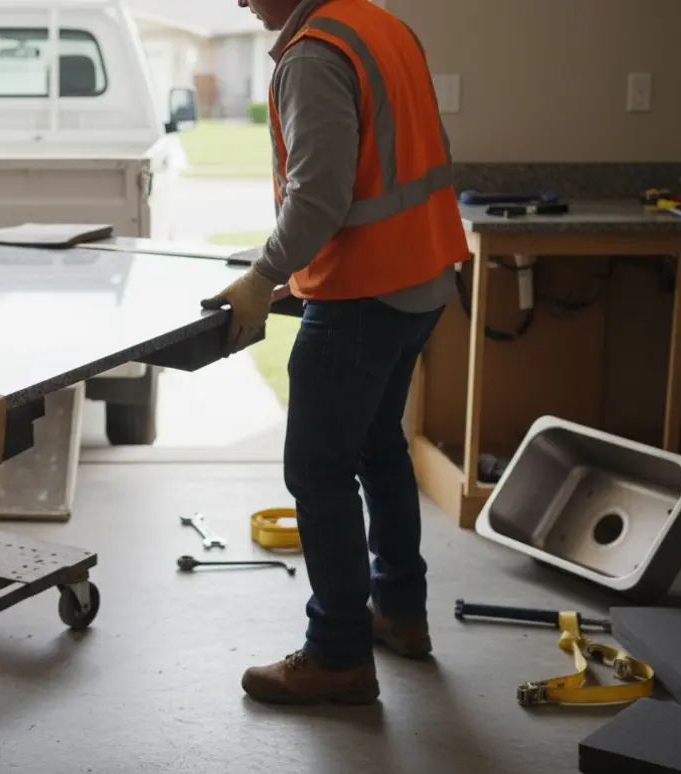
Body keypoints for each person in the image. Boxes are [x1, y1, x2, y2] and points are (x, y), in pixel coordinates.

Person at [207, 0, 470, 705]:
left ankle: (338, 654)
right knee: (379, 448)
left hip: (363, 297)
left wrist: (264, 278)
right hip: (422, 281)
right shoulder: (382, 26)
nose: (236, 1)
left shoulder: (314, 55)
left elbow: (317, 193)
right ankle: (401, 614)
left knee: (318, 473)